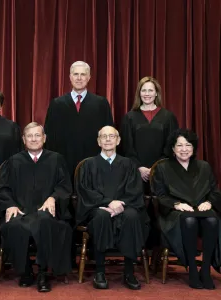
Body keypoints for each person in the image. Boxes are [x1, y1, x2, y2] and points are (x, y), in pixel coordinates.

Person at [0, 122, 73, 293]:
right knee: (14, 225)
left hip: (46, 212)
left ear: (44, 138)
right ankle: (26, 270)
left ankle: (43, 273)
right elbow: (3, 188)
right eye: (29, 136)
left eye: (37, 135)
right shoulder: (14, 161)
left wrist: (53, 198)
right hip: (21, 210)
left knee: (45, 222)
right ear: (23, 139)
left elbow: (65, 186)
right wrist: (10, 205)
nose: (34, 139)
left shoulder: (56, 159)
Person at [76, 126, 149, 290]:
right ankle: (100, 272)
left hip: (126, 206)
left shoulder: (128, 164)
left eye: (111, 136)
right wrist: (109, 202)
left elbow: (135, 190)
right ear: (98, 141)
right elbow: (85, 191)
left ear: (118, 140)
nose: (108, 139)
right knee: (101, 216)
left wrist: (119, 204)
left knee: (132, 217)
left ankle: (129, 272)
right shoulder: (89, 165)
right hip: (97, 207)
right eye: (104, 136)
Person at [151, 129, 221, 289]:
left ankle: (205, 269)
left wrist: (209, 202)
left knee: (211, 220)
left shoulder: (204, 166)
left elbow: (215, 191)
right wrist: (176, 204)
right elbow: (159, 196)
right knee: (189, 220)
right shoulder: (163, 168)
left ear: (193, 147)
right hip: (175, 213)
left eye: (188, 145)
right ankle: (192, 270)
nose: (184, 149)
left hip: (202, 209)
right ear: (173, 148)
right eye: (179, 145)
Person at [44, 61, 114, 181]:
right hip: (64, 164)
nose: (79, 78)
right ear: (70, 77)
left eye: (83, 74)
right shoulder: (57, 104)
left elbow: (109, 135)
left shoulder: (101, 104)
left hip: (94, 165)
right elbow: (49, 137)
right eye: (76, 74)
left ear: (89, 77)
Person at [120, 76, 179, 192]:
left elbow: (171, 146)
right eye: (144, 90)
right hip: (135, 173)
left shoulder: (168, 117)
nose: (147, 94)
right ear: (139, 93)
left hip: (162, 171)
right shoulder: (129, 117)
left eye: (151, 90)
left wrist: (155, 168)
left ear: (156, 93)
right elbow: (127, 147)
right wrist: (139, 168)